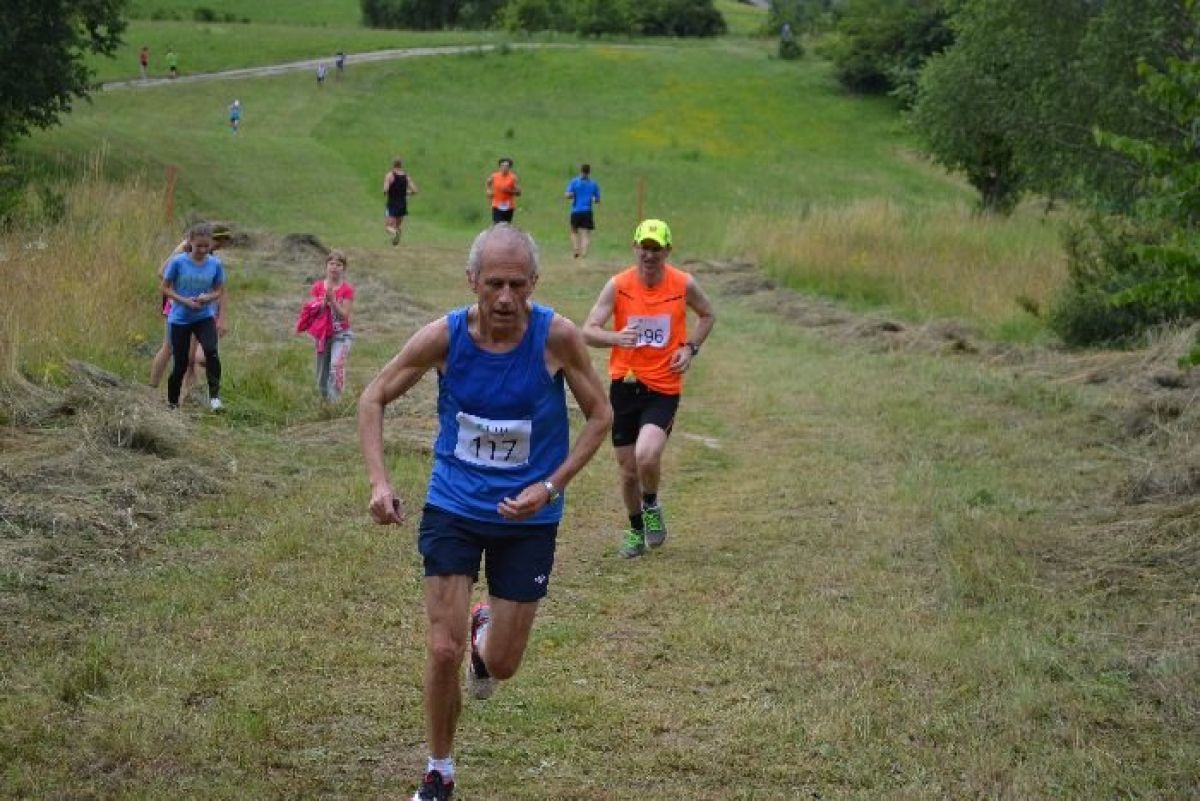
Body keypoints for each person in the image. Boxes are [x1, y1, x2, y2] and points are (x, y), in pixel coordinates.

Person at [358, 224, 611, 801]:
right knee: (441, 648)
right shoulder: (445, 338)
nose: (505, 297)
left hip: (528, 518)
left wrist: (549, 486)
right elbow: (373, 396)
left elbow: (601, 415)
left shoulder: (557, 338)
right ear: (471, 280)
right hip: (454, 506)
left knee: (503, 664)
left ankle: (484, 631)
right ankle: (439, 771)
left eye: (517, 285)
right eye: (494, 283)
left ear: (534, 283)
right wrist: (379, 481)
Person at [581, 219, 716, 558]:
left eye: (656, 248)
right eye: (644, 247)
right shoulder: (619, 285)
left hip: (663, 386)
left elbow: (707, 314)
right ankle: (635, 530)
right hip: (625, 387)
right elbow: (588, 331)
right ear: (635, 247)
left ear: (668, 251)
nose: (649, 255)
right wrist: (616, 337)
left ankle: (651, 505)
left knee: (646, 454)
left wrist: (690, 348)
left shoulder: (683, 283)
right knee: (628, 472)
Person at [149, 229, 229, 397]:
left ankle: (188, 393)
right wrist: (181, 295)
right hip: (178, 306)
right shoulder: (184, 250)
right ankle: (152, 387)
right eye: (219, 242)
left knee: (190, 356)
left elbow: (220, 288)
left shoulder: (209, 256)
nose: (219, 246)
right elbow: (162, 273)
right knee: (169, 348)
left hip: (199, 309)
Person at [307, 250, 355, 402]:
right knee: (322, 371)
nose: (334, 267)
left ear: (344, 268)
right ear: (326, 266)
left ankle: (335, 402)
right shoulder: (318, 287)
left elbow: (344, 315)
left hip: (342, 335)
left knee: (336, 366)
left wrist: (333, 301)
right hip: (323, 335)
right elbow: (312, 312)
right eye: (331, 264)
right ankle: (323, 400)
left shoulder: (347, 289)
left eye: (338, 264)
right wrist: (322, 303)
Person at [564, 163, 601, 259]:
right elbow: (597, 199)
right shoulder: (593, 184)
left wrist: (572, 195)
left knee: (574, 231)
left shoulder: (575, 182)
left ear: (581, 171)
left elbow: (567, 195)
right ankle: (584, 252)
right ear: (589, 172)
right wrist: (593, 199)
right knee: (586, 233)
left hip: (576, 210)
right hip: (587, 211)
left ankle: (576, 249)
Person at [384, 158, 420, 246]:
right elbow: (415, 190)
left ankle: (395, 233)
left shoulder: (389, 175)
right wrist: (406, 192)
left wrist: (386, 192)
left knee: (388, 227)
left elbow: (385, 189)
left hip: (392, 204)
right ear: (401, 165)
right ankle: (395, 242)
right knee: (397, 227)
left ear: (393, 165)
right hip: (402, 204)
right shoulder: (406, 177)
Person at [485, 158, 521, 224]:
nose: (504, 168)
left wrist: (509, 191)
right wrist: (488, 191)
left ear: (509, 167)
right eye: (502, 166)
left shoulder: (513, 178)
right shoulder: (494, 176)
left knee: (507, 225)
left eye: (506, 166)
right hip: (496, 205)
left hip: (509, 206)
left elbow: (518, 192)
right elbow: (488, 183)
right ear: (499, 167)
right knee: (497, 224)